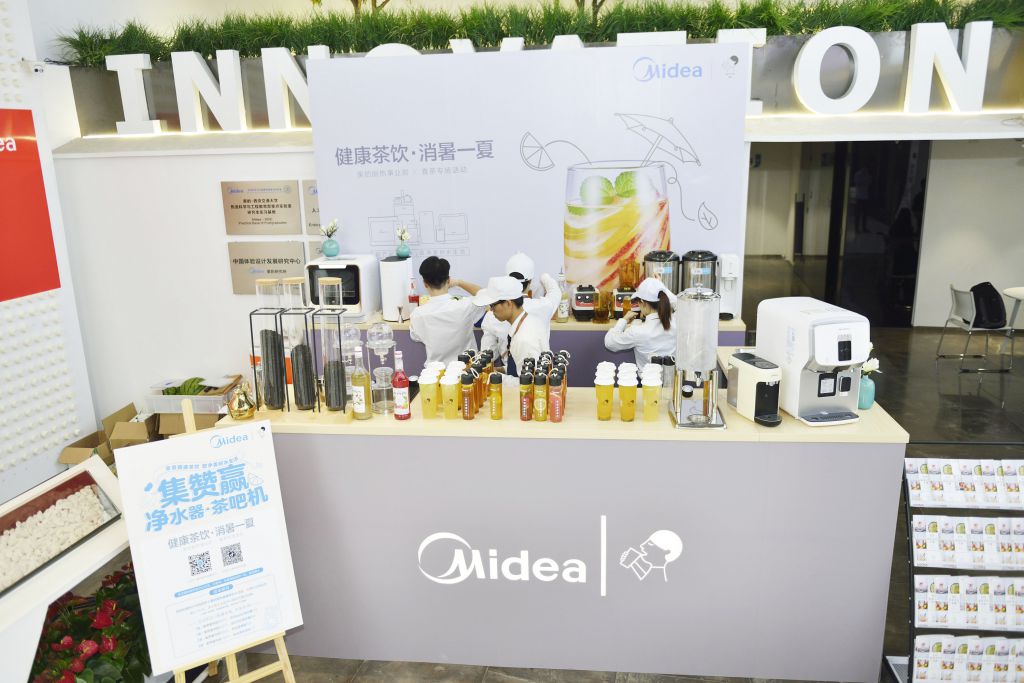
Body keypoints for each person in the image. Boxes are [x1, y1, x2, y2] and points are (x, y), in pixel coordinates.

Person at [480, 252, 560, 359]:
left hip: (515, 367)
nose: (492, 307)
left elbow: (487, 356)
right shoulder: (543, 306)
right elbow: (555, 291)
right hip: (538, 366)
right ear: (530, 281)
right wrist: (544, 277)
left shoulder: (493, 313)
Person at [409, 256, 484, 365]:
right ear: (448, 280)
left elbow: (416, 337)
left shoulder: (417, 314)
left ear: (425, 283)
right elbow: (485, 295)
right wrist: (459, 282)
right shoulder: (466, 305)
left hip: (435, 373)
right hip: (468, 371)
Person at [473, 276, 550, 377]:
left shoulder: (524, 339)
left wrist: (493, 379)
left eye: (493, 305)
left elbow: (528, 381)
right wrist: (501, 370)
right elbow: (521, 366)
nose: (491, 310)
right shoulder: (526, 322)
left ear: (508, 303)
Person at [603, 277, 676, 367]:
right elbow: (677, 303)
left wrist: (623, 320)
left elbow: (610, 342)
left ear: (642, 302)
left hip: (647, 376)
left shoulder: (637, 331)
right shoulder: (677, 321)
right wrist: (660, 287)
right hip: (673, 375)